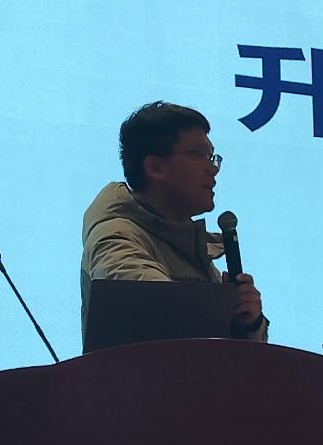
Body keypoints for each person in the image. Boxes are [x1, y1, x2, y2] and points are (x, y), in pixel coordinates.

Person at [81, 102, 267, 341]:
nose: (213, 169)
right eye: (198, 155)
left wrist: (247, 323)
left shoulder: (188, 246)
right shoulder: (115, 236)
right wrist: (218, 308)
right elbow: (160, 309)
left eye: (212, 157)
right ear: (155, 167)